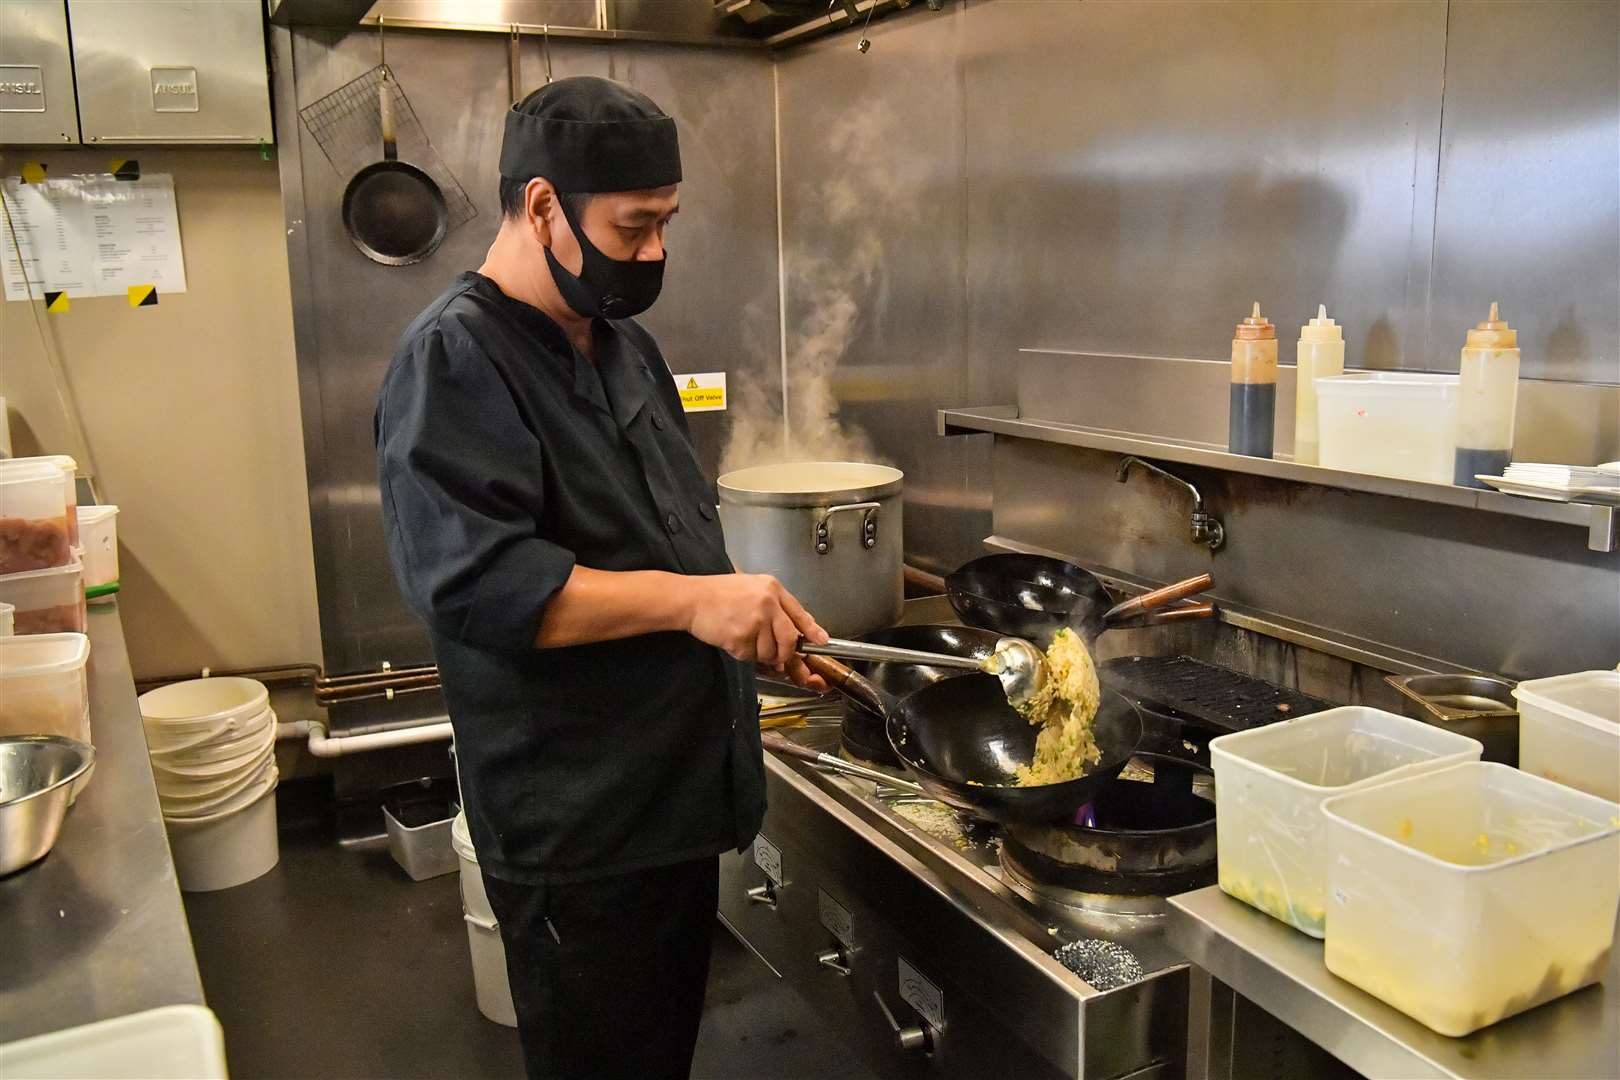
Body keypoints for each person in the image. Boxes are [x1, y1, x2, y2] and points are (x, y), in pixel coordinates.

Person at [374, 76, 829, 1080]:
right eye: (634, 227)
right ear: (543, 207)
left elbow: (660, 540)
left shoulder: (626, 347)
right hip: (579, 829)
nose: (656, 253)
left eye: (668, 224)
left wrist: (748, 620)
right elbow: (483, 586)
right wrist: (705, 602)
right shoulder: (455, 359)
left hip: (667, 802)